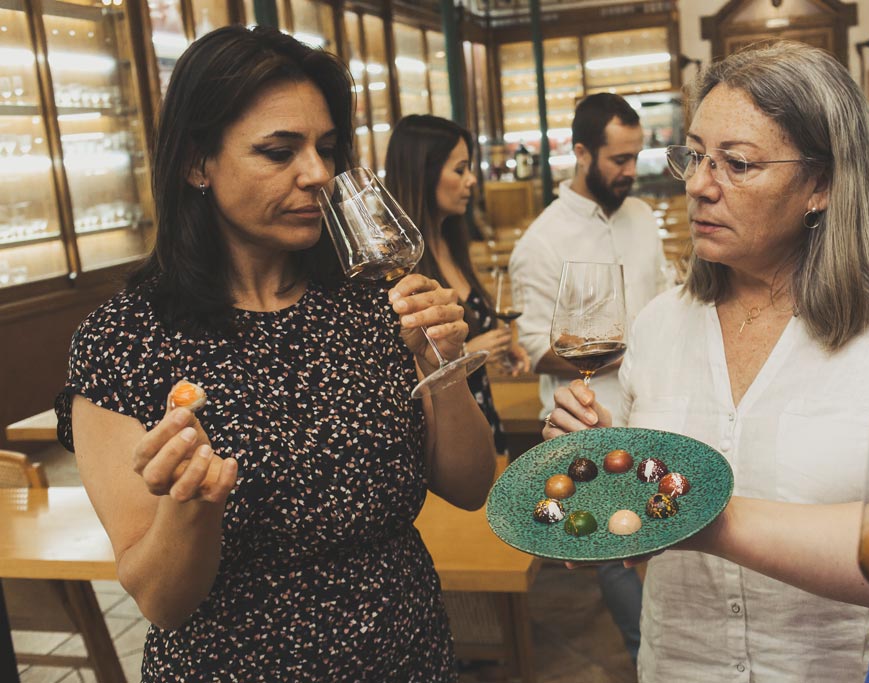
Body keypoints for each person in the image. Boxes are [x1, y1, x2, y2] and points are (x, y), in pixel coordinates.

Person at [54, 26, 496, 682]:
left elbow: (468, 485)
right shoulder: (126, 341)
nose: (317, 174)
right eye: (278, 151)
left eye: (326, 148)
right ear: (197, 163)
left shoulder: (369, 301)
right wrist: (192, 502)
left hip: (409, 653)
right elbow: (162, 600)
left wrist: (442, 368)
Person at [544, 42, 869, 681]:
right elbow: (630, 541)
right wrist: (593, 485)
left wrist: (699, 512)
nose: (699, 186)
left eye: (737, 163)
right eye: (696, 156)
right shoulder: (659, 325)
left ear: (822, 184)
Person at [509, 92, 669, 662]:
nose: (630, 171)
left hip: (655, 415)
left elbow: (667, 295)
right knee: (629, 586)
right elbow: (531, 347)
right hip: (587, 430)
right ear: (581, 152)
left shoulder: (644, 219)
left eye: (635, 157)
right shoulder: (543, 241)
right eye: (618, 160)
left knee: (665, 558)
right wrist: (618, 349)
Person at [384, 114, 529, 455]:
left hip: (483, 422)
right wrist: (470, 351)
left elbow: (468, 331)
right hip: (444, 444)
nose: (472, 181)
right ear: (424, 172)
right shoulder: (396, 269)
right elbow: (403, 372)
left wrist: (497, 351)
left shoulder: (449, 243)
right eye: (460, 169)